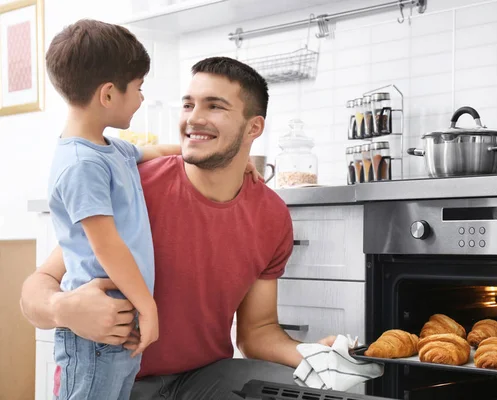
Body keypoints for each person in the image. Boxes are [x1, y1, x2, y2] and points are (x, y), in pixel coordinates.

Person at [22, 55, 335, 399]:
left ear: (253, 128)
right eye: (188, 104)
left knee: (302, 389)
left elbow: (258, 331)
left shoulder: (271, 215)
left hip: (203, 378)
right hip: (122, 381)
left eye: (215, 106)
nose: (194, 118)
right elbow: (37, 288)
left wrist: (313, 355)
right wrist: (62, 309)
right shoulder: (133, 185)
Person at [42, 20, 262, 400]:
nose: (143, 98)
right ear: (109, 95)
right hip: (101, 327)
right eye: (139, 88)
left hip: (121, 323)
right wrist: (148, 306)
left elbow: (159, 150)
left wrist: (235, 156)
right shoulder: (82, 165)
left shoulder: (109, 149)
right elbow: (106, 245)